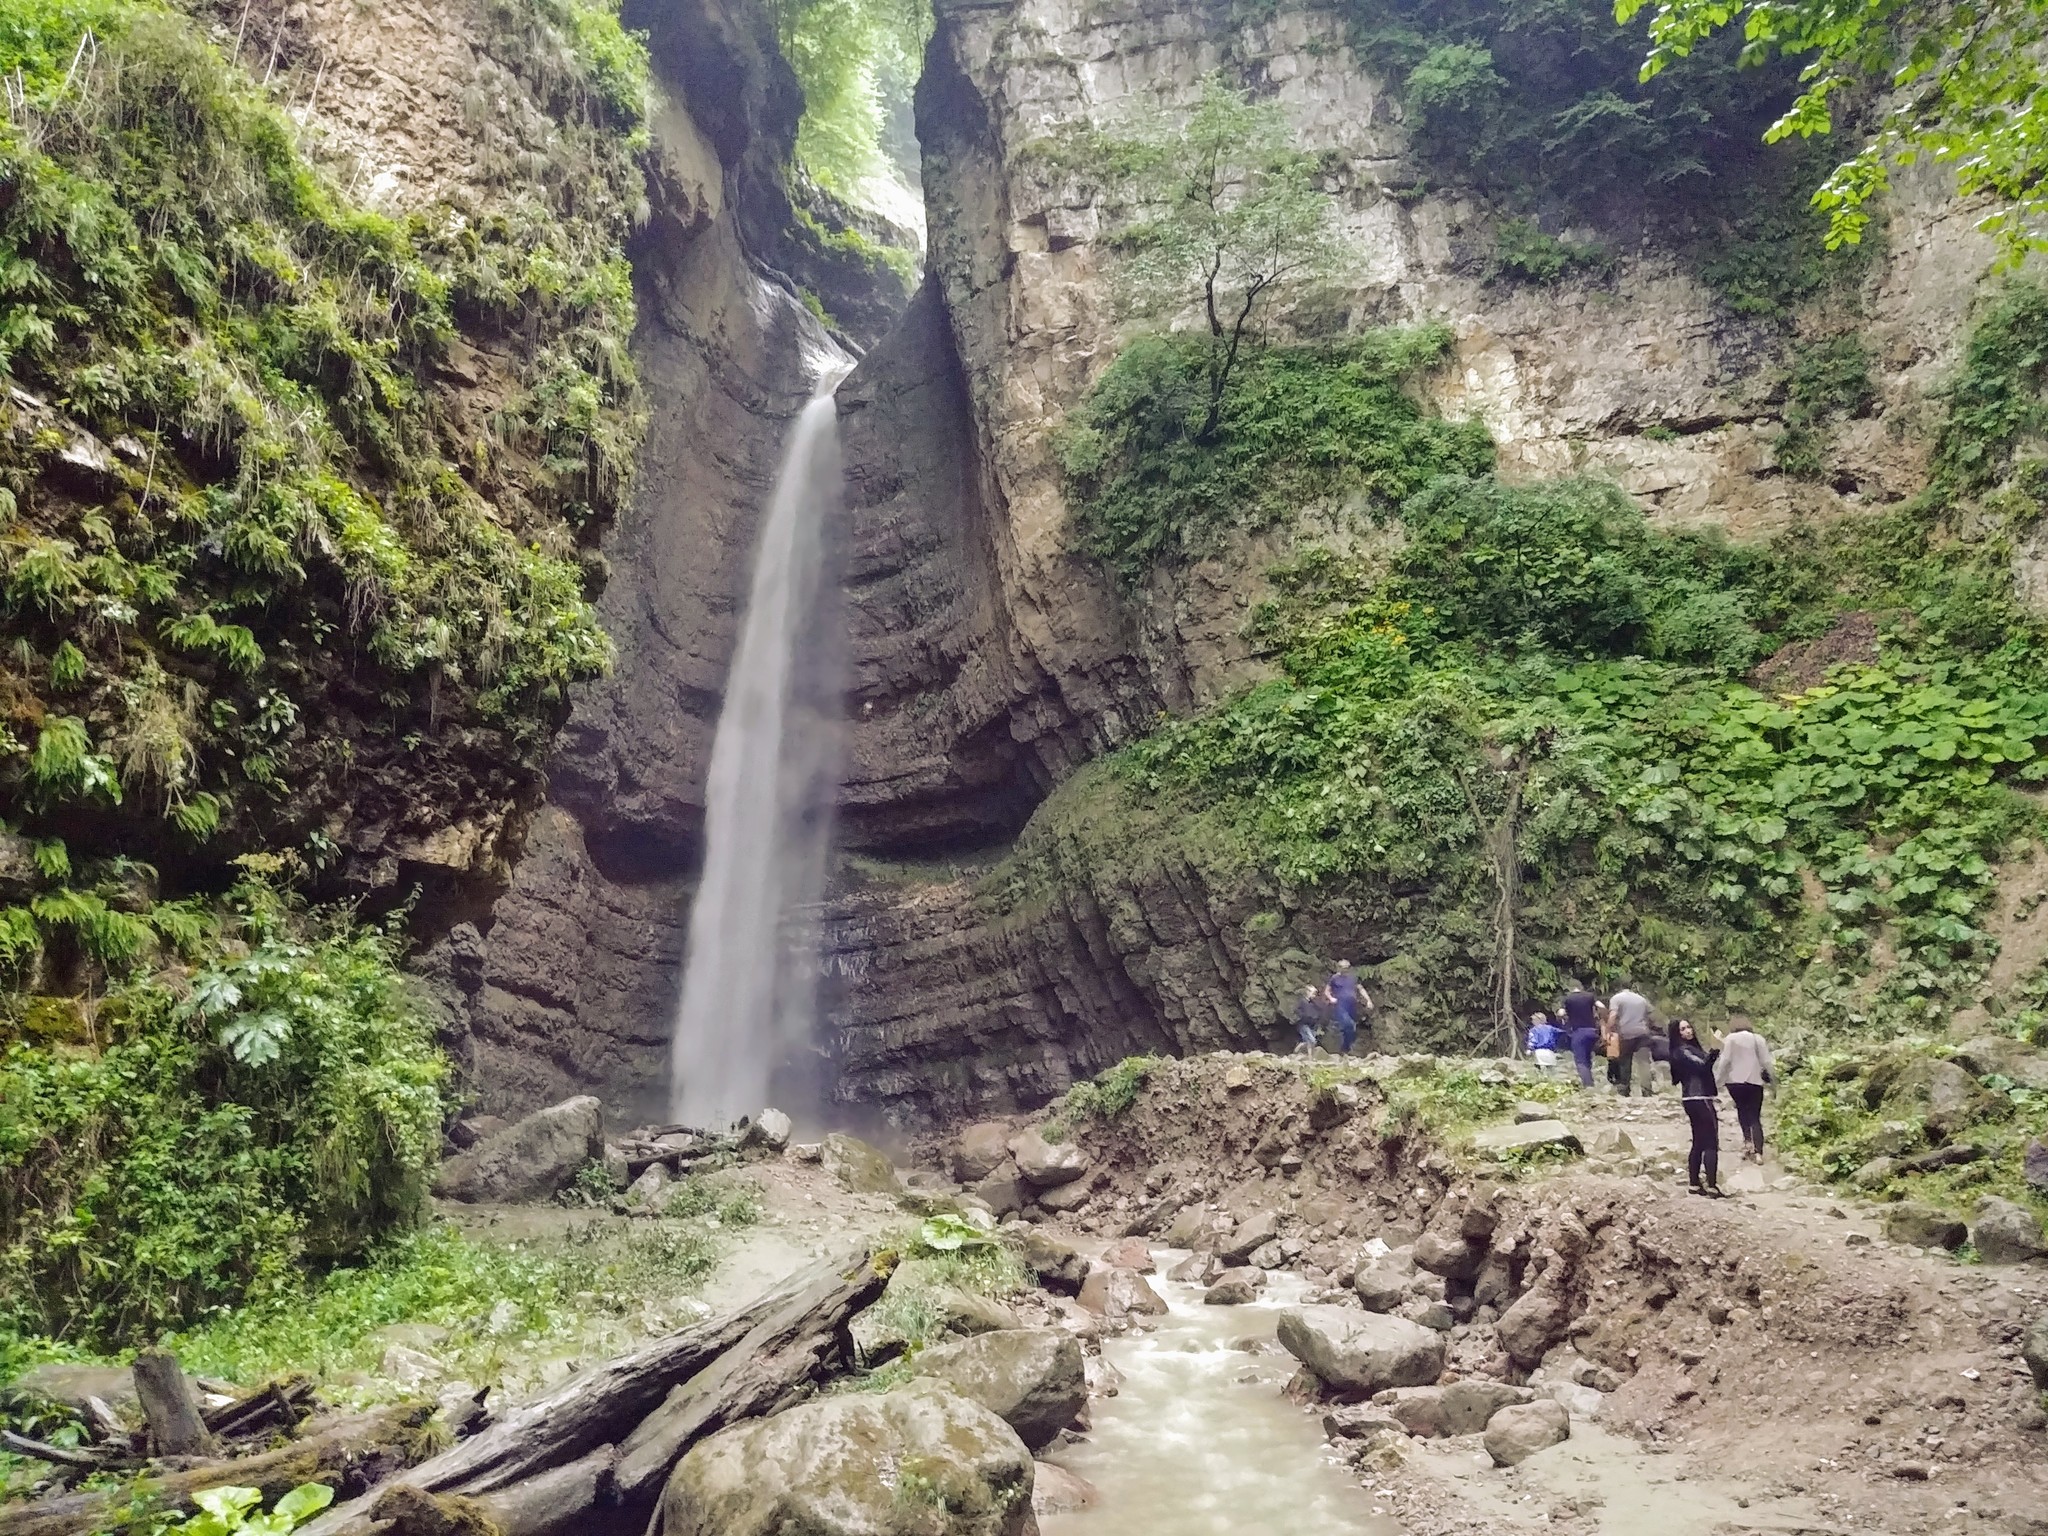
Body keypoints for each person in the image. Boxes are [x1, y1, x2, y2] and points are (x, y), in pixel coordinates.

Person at [1668, 1018, 1725, 1197]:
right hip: (1700, 1097)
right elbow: (1703, 1067)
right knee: (1711, 1142)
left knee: (1699, 1141)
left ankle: (1694, 1183)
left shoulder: (1681, 1051)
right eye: (1683, 1029)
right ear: (1677, 1033)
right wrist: (1715, 1049)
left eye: (1689, 1027)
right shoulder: (1682, 1051)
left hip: (1691, 1098)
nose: (1688, 1031)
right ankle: (1712, 1185)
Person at [1714, 1014, 1775, 1161]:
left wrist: (1717, 1082)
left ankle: (1747, 1143)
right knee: (1755, 1116)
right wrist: (1774, 1083)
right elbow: (1767, 1062)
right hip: (1755, 1081)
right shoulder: (1757, 1039)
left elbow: (1725, 1062)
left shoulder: (1730, 1039)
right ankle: (1758, 1152)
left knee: (1742, 1111)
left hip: (1734, 1082)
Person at [1607, 979, 1658, 1096]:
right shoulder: (1641, 999)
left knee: (1625, 1061)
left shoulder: (1616, 998)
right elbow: (1652, 1015)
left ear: (1619, 986)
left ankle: (1624, 1089)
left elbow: (1613, 1015)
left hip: (1626, 1034)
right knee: (1644, 1062)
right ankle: (1647, 1090)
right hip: (1642, 1033)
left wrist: (1609, 1029)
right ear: (1632, 986)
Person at [1559, 980, 1601, 1087]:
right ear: (1580, 987)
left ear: (1570, 988)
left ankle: (1589, 1086)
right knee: (1587, 1057)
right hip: (1592, 1031)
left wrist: (1562, 1020)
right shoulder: (1589, 996)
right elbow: (1601, 1006)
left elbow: (1561, 1013)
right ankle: (1591, 1079)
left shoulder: (1568, 999)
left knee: (1581, 1061)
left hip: (1579, 1033)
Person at [1325, 961, 1372, 1055]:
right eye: (1342, 967)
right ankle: (1345, 1049)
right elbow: (1327, 991)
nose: (1344, 969)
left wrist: (1368, 1000)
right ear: (1339, 968)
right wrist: (1331, 998)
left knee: (1352, 1028)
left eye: (1346, 967)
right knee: (1348, 1024)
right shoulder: (1334, 978)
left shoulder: (1353, 978)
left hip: (1352, 1005)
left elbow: (1360, 989)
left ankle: (1345, 1049)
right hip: (1340, 1005)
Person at [1292, 984, 1323, 1055]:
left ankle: (1308, 1056)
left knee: (1308, 1041)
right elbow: (1298, 1012)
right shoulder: (1302, 1002)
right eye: (1313, 994)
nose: (1314, 996)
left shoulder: (1312, 1003)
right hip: (1303, 1024)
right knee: (1311, 1041)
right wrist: (1303, 1017)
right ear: (1308, 992)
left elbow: (1317, 1012)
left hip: (1311, 1025)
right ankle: (1306, 1054)